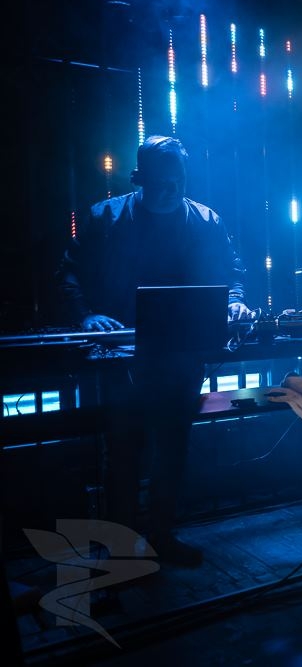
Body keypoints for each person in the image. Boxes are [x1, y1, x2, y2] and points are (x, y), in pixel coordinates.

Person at [57, 135, 253, 566]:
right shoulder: (106, 218)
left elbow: (233, 272)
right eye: (161, 182)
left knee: (173, 450)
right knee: (123, 453)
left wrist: (236, 301)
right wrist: (87, 316)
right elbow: (70, 272)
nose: (170, 190)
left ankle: (161, 536)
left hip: (182, 359)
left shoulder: (206, 220)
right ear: (138, 178)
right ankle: (123, 549)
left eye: (177, 181)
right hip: (123, 360)